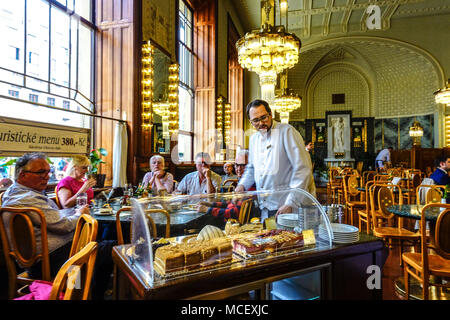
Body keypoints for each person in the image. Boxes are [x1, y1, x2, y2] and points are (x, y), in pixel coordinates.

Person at [2, 152, 115, 300]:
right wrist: (80, 213)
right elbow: (64, 226)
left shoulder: (12, 193)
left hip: (38, 260)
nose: (47, 176)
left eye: (48, 172)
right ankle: (82, 293)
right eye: (41, 172)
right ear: (23, 175)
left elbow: (54, 218)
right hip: (52, 261)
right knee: (113, 249)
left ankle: (86, 292)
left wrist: (73, 213)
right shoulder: (29, 199)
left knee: (101, 244)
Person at [235, 99, 315, 220]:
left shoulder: (287, 132)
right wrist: (242, 185)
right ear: (251, 122)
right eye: (256, 120)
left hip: (288, 207)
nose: (261, 123)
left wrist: (291, 202)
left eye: (264, 117)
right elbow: (251, 169)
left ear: (270, 114)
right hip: (265, 208)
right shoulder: (253, 139)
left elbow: (302, 169)